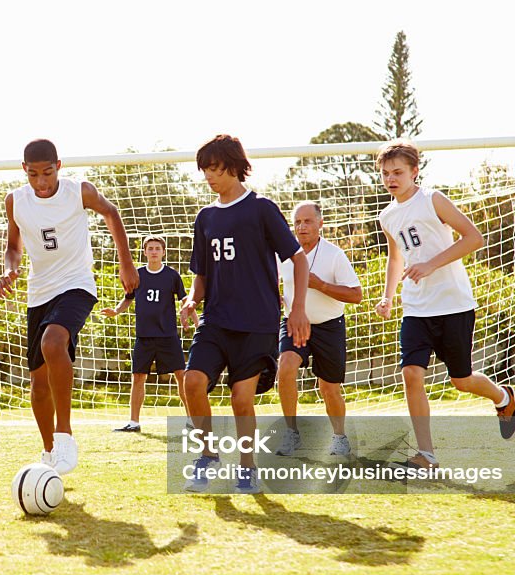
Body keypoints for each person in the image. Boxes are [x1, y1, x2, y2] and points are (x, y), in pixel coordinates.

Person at [374, 139, 515, 469]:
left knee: (461, 380)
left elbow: (473, 238)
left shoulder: (432, 200)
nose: (391, 179)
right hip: (415, 308)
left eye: (397, 172)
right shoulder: (387, 216)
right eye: (385, 174)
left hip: (453, 304)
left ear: (414, 171)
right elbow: (395, 259)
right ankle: (426, 454)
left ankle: (502, 397)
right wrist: (388, 295)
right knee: (411, 373)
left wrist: (430, 265)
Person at [0, 139, 139, 474]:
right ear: (24, 171)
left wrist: (126, 263)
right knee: (38, 381)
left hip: (76, 284)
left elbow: (111, 212)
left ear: (58, 166)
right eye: (33, 175)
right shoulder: (15, 201)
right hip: (39, 292)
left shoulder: (80, 191)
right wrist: (9, 267)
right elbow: (13, 246)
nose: (42, 182)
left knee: (53, 342)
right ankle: (49, 453)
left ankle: (65, 434)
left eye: (47, 173)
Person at [179, 134, 310, 494]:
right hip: (216, 320)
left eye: (216, 169)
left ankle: (247, 469)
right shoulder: (204, 217)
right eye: (205, 170)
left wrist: (297, 309)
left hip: (257, 323)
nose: (210, 176)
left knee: (241, 400)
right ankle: (208, 457)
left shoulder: (261, 208)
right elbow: (201, 274)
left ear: (235, 167)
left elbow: (297, 259)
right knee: (192, 383)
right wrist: (192, 299)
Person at [275, 201, 362, 458]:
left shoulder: (334, 255)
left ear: (320, 223)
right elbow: (274, 285)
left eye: (308, 221)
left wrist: (321, 285)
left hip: (329, 327)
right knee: (286, 367)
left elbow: (356, 295)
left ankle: (339, 436)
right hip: (294, 323)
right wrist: (275, 297)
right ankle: (291, 432)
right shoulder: (283, 255)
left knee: (329, 388)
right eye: (298, 222)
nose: (302, 227)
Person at [101, 235, 190, 432]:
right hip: (144, 336)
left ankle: (192, 420)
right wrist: (115, 311)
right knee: (138, 376)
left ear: (164, 252)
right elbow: (127, 299)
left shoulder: (172, 275)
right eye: (150, 248)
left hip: (168, 336)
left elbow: (185, 300)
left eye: (158, 248)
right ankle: (134, 422)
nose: (154, 251)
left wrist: (195, 320)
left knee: (181, 375)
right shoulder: (137, 274)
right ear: (145, 252)